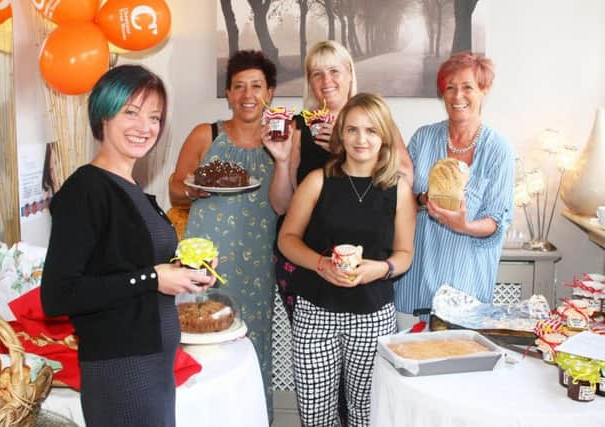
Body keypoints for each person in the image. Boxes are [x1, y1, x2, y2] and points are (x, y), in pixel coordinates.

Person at [41, 65, 216, 427]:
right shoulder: (86, 189)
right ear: (104, 114)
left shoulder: (132, 189)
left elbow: (123, 263)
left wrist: (186, 271)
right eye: (131, 113)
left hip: (153, 365)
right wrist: (152, 278)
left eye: (155, 117)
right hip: (121, 371)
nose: (145, 127)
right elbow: (58, 295)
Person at [278, 93, 416, 426]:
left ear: (384, 135)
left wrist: (381, 269)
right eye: (352, 130)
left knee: (366, 415)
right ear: (341, 134)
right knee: (315, 416)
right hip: (315, 315)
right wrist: (321, 264)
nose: (361, 139)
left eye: (370, 130)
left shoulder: (398, 189)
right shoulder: (317, 181)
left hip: (373, 317)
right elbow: (287, 240)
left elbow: (405, 254)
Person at [168, 50, 286, 422]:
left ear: (270, 92)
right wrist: (193, 189)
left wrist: (283, 158)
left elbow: (287, 201)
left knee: (252, 343)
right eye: (239, 87)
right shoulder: (207, 134)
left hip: (258, 260)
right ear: (228, 93)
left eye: (256, 86)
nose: (247, 95)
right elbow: (173, 187)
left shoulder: (283, 139)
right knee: (198, 338)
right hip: (205, 259)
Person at [270, 40, 414, 321]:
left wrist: (346, 148)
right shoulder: (299, 127)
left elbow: (403, 182)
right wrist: (282, 160)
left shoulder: (375, 121)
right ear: (309, 81)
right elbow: (282, 207)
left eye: (334, 71)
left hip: (367, 263)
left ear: (350, 73)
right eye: (317, 73)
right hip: (309, 263)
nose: (327, 81)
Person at [394, 52, 515, 327]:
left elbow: (497, 220)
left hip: (466, 290)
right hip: (415, 284)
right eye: (450, 87)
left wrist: (466, 225)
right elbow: (400, 199)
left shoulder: (498, 149)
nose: (457, 95)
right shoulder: (424, 137)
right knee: (410, 364)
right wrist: (422, 198)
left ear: (484, 90)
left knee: (458, 364)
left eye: (467, 87)